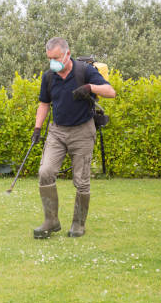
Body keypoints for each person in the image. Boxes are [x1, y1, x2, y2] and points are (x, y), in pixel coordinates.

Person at [32, 37, 116, 239]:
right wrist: (37, 128)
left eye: (56, 58)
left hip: (82, 131)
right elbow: (44, 104)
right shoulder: (49, 77)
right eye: (50, 58)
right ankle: (51, 221)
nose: (53, 62)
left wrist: (90, 88)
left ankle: (78, 224)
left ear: (67, 54)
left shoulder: (84, 71)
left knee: (81, 181)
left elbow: (110, 92)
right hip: (57, 132)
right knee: (45, 171)